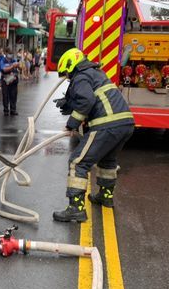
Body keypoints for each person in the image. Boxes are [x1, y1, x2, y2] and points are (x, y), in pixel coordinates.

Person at [52, 48, 135, 223]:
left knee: (78, 162)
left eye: (67, 74)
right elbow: (91, 98)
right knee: (107, 161)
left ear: (70, 65)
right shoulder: (95, 73)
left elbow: (87, 101)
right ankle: (105, 196)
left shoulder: (81, 76)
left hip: (107, 125)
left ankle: (76, 208)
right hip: (125, 123)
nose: (67, 78)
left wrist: (71, 124)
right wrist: (70, 103)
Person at [0, 48, 20, 116]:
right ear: (6, 53)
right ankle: (6, 110)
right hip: (6, 81)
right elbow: (4, 69)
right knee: (5, 96)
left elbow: (20, 68)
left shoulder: (14, 60)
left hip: (14, 80)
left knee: (13, 95)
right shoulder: (3, 60)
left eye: (11, 54)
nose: (10, 55)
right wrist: (12, 66)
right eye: (9, 53)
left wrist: (19, 65)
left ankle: (13, 110)